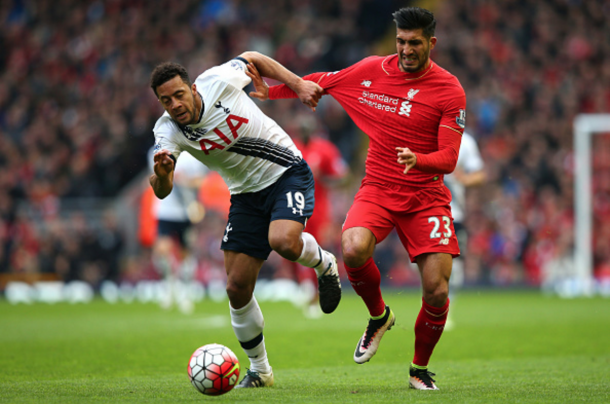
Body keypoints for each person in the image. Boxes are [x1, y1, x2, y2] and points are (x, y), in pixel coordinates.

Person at [248, 7, 466, 390]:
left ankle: (418, 369)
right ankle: (379, 317)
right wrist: (275, 92)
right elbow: (321, 82)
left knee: (436, 288)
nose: (406, 49)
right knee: (351, 248)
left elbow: (448, 158)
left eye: (414, 43)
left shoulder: (449, 90)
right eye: (400, 41)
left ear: (431, 43)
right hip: (378, 188)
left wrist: (421, 159)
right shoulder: (372, 69)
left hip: (426, 195)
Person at [148, 52, 341, 388]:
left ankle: (324, 264)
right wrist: (162, 175)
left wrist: (296, 85)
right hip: (245, 195)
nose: (175, 104)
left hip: (286, 172)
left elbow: (252, 57)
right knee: (236, 287)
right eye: (166, 100)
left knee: (282, 240)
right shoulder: (166, 131)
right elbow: (161, 191)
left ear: (192, 87)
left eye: (179, 94)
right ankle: (261, 371)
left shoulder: (217, 81)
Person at [291, 113, 349, 318]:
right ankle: (307, 291)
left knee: (319, 249)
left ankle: (318, 294)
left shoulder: (324, 148)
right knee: (298, 248)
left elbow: (342, 176)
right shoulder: (292, 147)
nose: (304, 130)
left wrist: (322, 178)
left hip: (320, 209)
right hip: (296, 208)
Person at [147, 146, 207, 314]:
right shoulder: (156, 152)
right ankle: (168, 288)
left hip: (185, 212)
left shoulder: (191, 155)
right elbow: (153, 179)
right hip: (165, 211)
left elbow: (199, 181)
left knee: (185, 254)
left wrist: (183, 180)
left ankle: (185, 292)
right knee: (162, 251)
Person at [443, 131, 486, 329]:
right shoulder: (421, 130)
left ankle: (445, 310)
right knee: (423, 262)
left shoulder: (466, 141)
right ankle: (432, 303)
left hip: (453, 212)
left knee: (455, 265)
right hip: (422, 210)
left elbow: (479, 174)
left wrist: (463, 179)